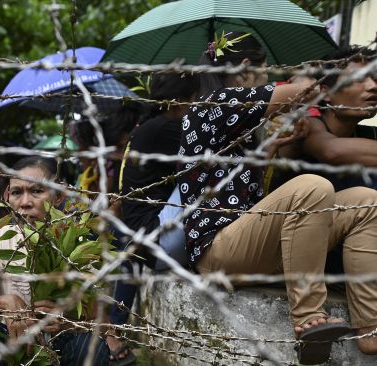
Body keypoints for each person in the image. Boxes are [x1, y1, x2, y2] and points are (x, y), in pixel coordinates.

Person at [177, 31, 377, 364]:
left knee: (365, 201)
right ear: (245, 68)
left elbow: (232, 180)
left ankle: (371, 329)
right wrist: (324, 74)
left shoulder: (235, 127)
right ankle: (310, 318)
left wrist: (270, 148)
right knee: (311, 186)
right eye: (266, 71)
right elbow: (303, 91)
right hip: (218, 252)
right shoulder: (213, 107)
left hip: (250, 244)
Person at [0, 156, 110, 365]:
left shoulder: (76, 244)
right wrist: (3, 302)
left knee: (90, 346)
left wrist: (66, 323)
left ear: (58, 196)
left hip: (58, 347)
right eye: (17, 192)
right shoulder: (6, 237)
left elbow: (103, 325)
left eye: (37, 191)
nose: (25, 203)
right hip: (9, 342)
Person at [106, 72, 199, 365]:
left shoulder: (150, 127)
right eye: (195, 98)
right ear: (181, 100)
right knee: (207, 174)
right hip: (156, 242)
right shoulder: (167, 129)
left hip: (141, 243)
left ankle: (113, 329)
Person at [273, 47, 377, 191]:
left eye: (375, 78)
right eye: (358, 78)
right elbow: (332, 151)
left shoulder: (370, 135)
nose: (373, 86)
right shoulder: (305, 126)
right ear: (326, 93)